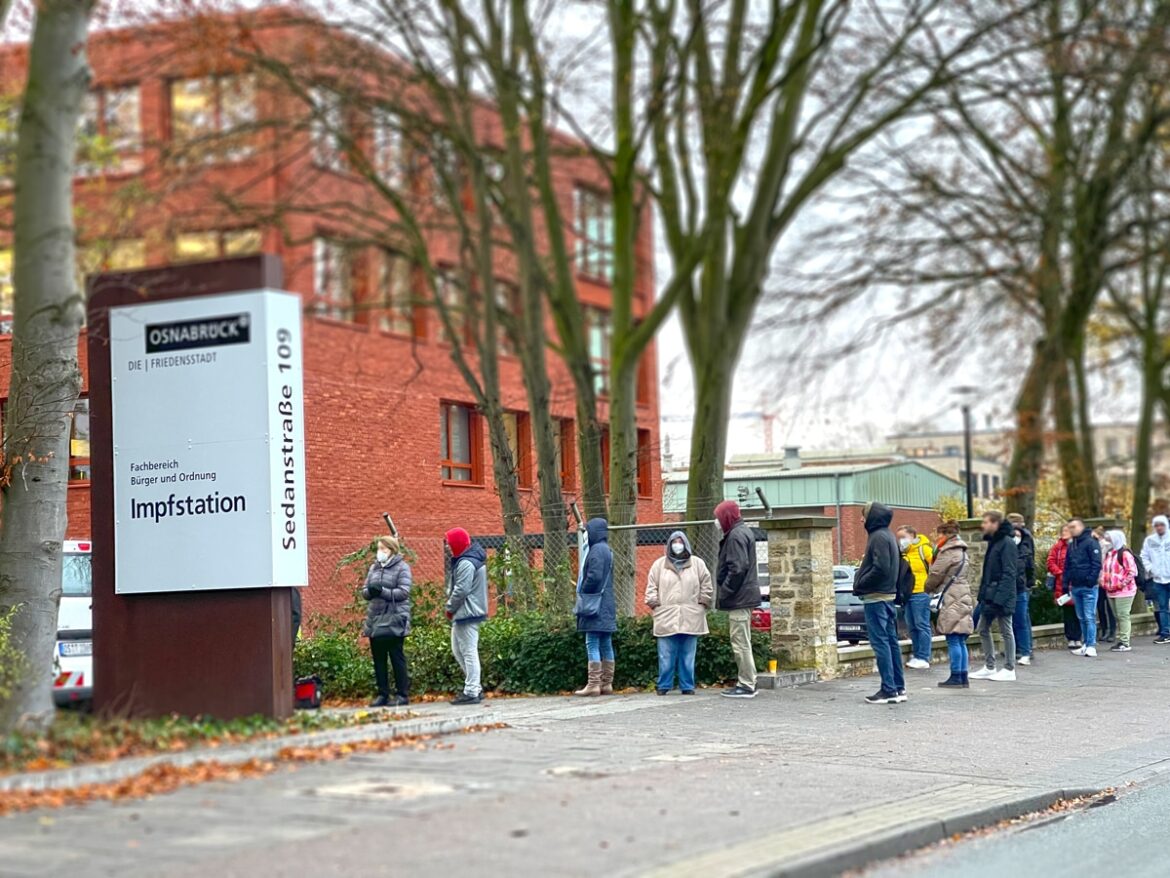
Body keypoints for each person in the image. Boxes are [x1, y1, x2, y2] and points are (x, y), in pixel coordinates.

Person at [645, 531, 713, 695]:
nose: (677, 545)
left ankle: (687, 686)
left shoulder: (698, 564)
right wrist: (654, 604)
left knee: (688, 655)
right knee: (665, 655)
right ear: (669, 545)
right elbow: (651, 586)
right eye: (674, 542)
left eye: (680, 542)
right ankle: (664, 685)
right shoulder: (659, 565)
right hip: (666, 616)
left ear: (686, 544)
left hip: (691, 615)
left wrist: (703, 602)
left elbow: (707, 584)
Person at [853, 502, 905, 704]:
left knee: (881, 642)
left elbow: (881, 568)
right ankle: (898, 688)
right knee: (891, 642)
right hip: (887, 597)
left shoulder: (878, 537)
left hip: (876, 598)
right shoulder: (888, 535)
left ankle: (888, 689)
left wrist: (861, 582)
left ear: (872, 517)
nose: (861, 520)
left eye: (864, 515)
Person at [714, 500, 761, 698]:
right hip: (744, 596)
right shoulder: (743, 532)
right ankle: (749, 681)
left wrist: (725, 591)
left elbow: (737, 568)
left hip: (739, 598)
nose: (716, 522)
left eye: (718, 517)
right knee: (743, 641)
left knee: (740, 642)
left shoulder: (735, 536)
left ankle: (747, 684)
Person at [361, 536, 412, 707]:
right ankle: (382, 694)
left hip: (394, 618)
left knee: (396, 657)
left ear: (392, 550)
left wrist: (382, 591)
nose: (380, 552)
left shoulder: (402, 567)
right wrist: (370, 591)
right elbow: (364, 591)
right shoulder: (374, 567)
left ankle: (402, 694)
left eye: (383, 548)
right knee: (378, 658)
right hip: (375, 618)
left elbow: (403, 592)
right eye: (378, 548)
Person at [924, 521, 973, 688]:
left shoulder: (947, 552)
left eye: (938, 534)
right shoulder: (962, 552)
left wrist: (927, 587)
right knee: (960, 639)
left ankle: (955, 676)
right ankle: (963, 676)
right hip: (962, 593)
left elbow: (935, 573)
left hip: (951, 596)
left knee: (952, 637)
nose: (937, 537)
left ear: (945, 534)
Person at [971, 511, 1018, 682]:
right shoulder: (995, 542)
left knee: (1006, 630)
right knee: (982, 628)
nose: (983, 525)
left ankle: (1009, 668)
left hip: (1001, 595)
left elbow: (1009, 573)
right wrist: (983, 595)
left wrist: (999, 599)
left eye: (986, 522)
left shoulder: (1007, 543)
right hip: (990, 595)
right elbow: (988, 573)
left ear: (995, 523)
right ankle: (990, 666)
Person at [444, 527, 488, 705]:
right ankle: (475, 687)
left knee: (468, 652)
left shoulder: (465, 563)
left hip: (466, 612)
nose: (447, 546)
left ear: (457, 544)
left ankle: (471, 691)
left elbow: (461, 590)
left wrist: (450, 607)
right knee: (458, 650)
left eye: (449, 543)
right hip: (467, 612)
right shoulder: (470, 560)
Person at [574, 518, 616, 697]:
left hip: (594, 603)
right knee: (606, 643)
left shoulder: (596, 550)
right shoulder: (607, 550)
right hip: (606, 603)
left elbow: (594, 576)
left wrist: (584, 590)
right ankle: (607, 683)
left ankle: (593, 684)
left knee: (591, 641)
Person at [1064, 517, 1103, 657]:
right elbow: (1068, 565)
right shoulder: (1072, 544)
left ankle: (1091, 645)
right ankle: (1086, 643)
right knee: (1081, 617)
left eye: (1073, 527)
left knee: (1089, 616)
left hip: (1088, 586)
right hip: (1076, 585)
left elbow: (1096, 563)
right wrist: (1065, 583)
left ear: (1081, 527)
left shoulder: (1091, 542)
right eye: (1070, 527)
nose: (1071, 530)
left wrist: (1090, 580)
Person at [896, 525, 934, 670]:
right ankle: (917, 655)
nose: (901, 540)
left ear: (912, 536)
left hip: (920, 592)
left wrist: (930, 585)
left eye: (903, 537)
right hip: (907, 594)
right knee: (911, 626)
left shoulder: (923, 549)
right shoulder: (903, 553)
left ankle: (924, 657)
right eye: (899, 538)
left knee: (921, 624)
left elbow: (937, 567)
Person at [1101, 529, 1137, 653]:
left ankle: (1125, 642)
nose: (1108, 542)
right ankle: (1122, 640)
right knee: (1118, 616)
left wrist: (1121, 584)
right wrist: (1103, 582)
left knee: (1123, 615)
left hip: (1124, 591)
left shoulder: (1125, 554)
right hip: (1110, 591)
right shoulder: (1110, 553)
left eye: (1110, 539)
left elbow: (1132, 571)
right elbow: (1105, 570)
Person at [1007, 513, 1035, 666]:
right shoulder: (1006, 542)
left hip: (1020, 586)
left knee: (1021, 619)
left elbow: (1029, 564)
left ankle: (1025, 649)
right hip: (1015, 585)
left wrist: (1029, 582)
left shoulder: (1025, 542)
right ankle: (1021, 648)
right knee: (1018, 619)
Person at [1048, 525, 1081, 649]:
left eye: (1067, 531)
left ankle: (1078, 637)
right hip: (1063, 583)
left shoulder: (1079, 546)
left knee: (1079, 611)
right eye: (1063, 531)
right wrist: (1059, 573)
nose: (1064, 533)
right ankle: (1070, 638)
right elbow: (1050, 562)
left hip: (1077, 582)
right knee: (1068, 612)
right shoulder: (1057, 547)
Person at [1141, 515, 1170, 644]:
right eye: (1156, 525)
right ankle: (1165, 633)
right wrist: (1151, 569)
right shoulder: (1150, 540)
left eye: (1161, 525)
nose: (1159, 527)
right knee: (1162, 608)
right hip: (1159, 580)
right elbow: (1144, 556)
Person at [1093, 527, 1118, 644]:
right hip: (1097, 581)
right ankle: (1104, 630)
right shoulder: (1092, 547)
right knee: (1100, 607)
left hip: (1108, 581)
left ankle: (1112, 631)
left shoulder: (1109, 547)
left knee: (1109, 607)